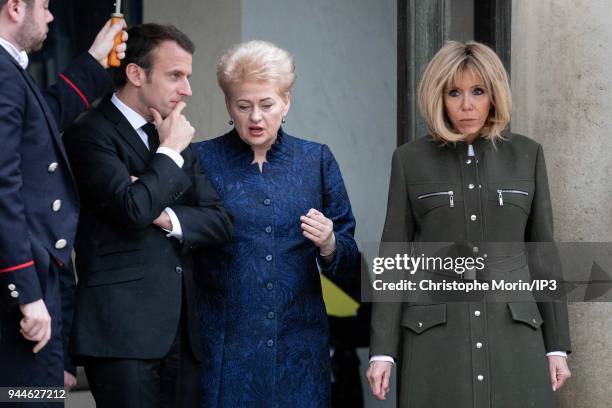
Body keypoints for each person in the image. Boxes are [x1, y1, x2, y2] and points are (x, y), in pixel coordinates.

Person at [367, 41, 572, 407]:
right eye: (454, 93)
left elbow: (543, 254)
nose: (467, 105)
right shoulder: (409, 160)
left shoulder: (527, 155)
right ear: (438, 97)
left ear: (494, 94)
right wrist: (383, 351)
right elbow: (393, 257)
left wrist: (557, 345)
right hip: (436, 342)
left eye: (478, 91)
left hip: (514, 335)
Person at [62, 23, 233, 407]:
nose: (186, 90)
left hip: (183, 333)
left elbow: (219, 220)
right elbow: (132, 207)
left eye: (187, 77)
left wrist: (165, 215)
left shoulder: (173, 132)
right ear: (136, 74)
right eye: (176, 76)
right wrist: (170, 153)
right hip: (120, 333)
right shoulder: (89, 132)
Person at [194, 40, 359, 407]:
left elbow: (349, 261)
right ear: (228, 106)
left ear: (286, 102)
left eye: (266, 104)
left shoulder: (315, 160)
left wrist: (331, 244)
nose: (256, 117)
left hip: (299, 354)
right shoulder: (201, 160)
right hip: (226, 354)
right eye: (243, 105)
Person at [0, 0, 127, 394]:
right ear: (16, 7)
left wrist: (93, 60)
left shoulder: (9, 72)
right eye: (45, 6)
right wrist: (28, 293)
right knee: (31, 400)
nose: (51, 16)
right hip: (24, 293)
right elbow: (2, 188)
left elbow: (44, 119)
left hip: (35, 283)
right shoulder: (2, 76)